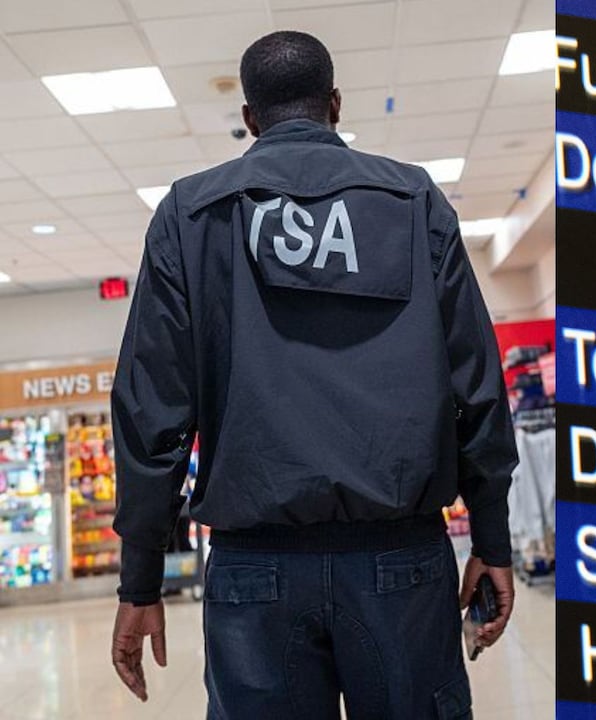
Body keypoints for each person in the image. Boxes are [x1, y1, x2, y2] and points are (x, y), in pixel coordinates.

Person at [108, 30, 517, 719]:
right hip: (401, 562)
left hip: (253, 574)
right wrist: (493, 539)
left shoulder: (191, 215)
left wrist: (140, 581)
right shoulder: (413, 203)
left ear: (249, 119)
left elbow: (152, 415)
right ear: (335, 104)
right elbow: (475, 386)